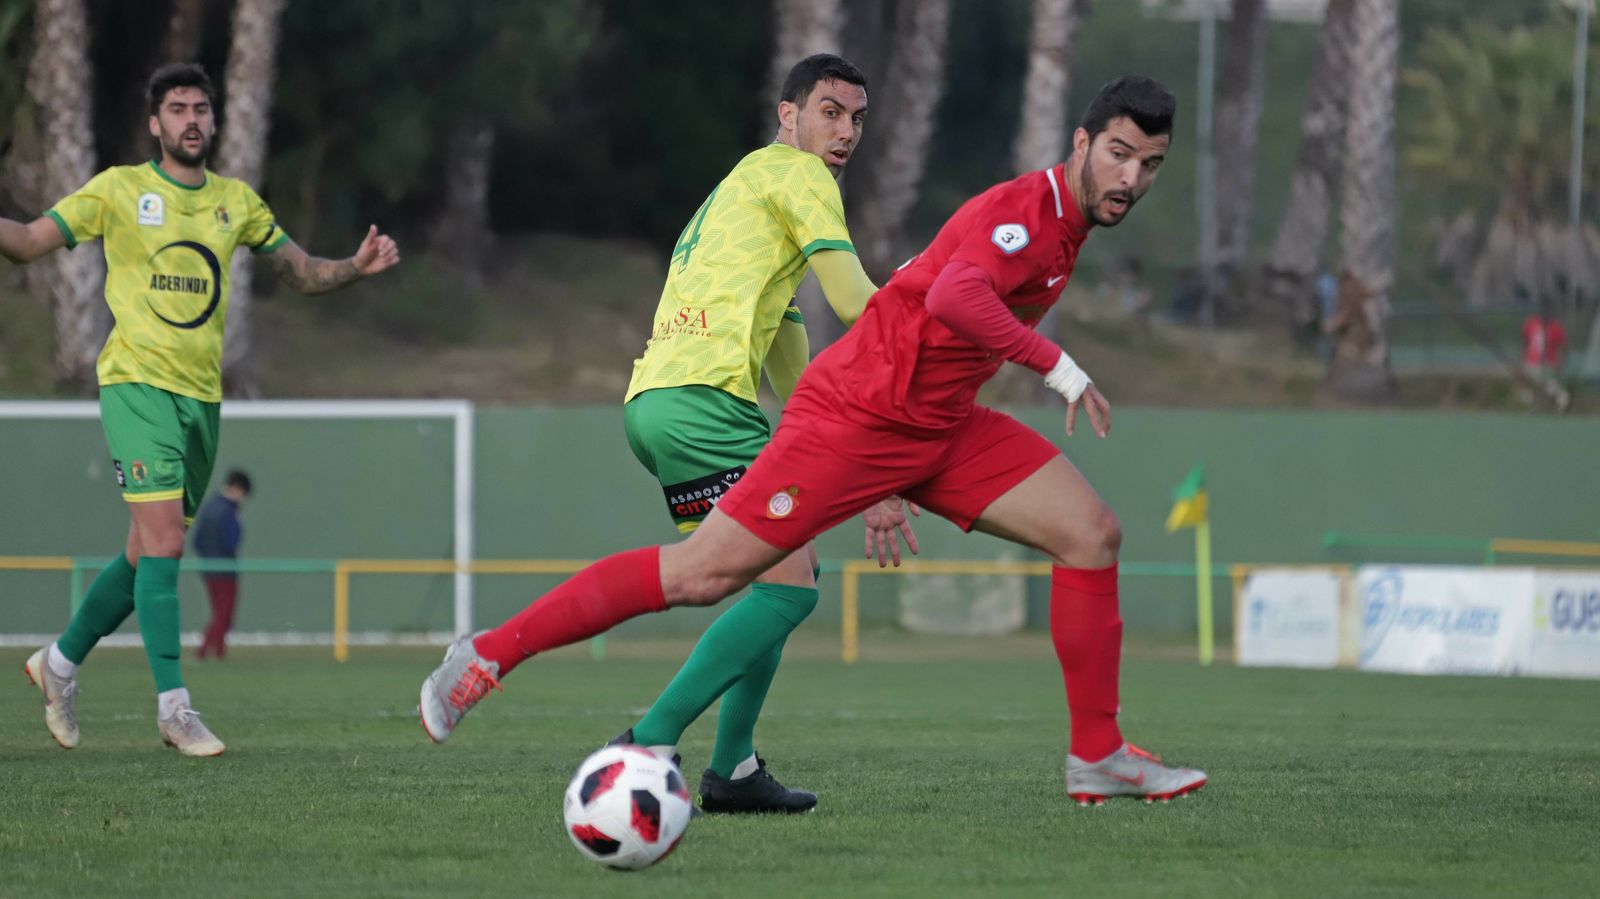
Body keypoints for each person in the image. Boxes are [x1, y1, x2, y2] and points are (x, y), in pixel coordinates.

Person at [420, 75, 1206, 805]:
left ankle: (1097, 753)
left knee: (1092, 533)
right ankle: (489, 654)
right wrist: (1058, 366)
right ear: (1079, 144)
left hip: (943, 427)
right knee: (705, 575)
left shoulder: (1069, 228)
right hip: (855, 419)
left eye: (1150, 164)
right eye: (1118, 154)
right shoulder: (1022, 213)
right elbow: (956, 295)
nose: (1131, 178)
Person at [423, 54, 910, 816]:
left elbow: (789, 351)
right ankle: (619, 722)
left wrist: (860, 468)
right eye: (829, 111)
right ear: (788, 116)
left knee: (771, 577)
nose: (845, 131)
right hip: (704, 401)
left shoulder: (741, 192)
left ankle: (733, 768)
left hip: (659, 401)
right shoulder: (799, 177)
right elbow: (857, 302)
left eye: (856, 118)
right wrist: (933, 326)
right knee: (762, 584)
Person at [4, 63, 400, 756]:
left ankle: (59, 663)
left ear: (214, 122)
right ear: (154, 123)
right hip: (136, 387)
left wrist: (352, 266)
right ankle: (174, 706)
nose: (191, 119)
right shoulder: (120, 190)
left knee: (141, 557)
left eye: (201, 109)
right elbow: (33, 239)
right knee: (164, 544)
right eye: (177, 108)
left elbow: (300, 270)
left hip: (200, 403)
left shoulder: (236, 203)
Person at [192, 468, 252, 660]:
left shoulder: (209, 506)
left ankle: (219, 651)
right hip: (226, 570)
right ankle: (203, 651)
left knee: (219, 613)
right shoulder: (229, 511)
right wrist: (239, 521)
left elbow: (196, 541)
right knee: (223, 615)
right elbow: (231, 541)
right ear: (237, 488)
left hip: (208, 569)